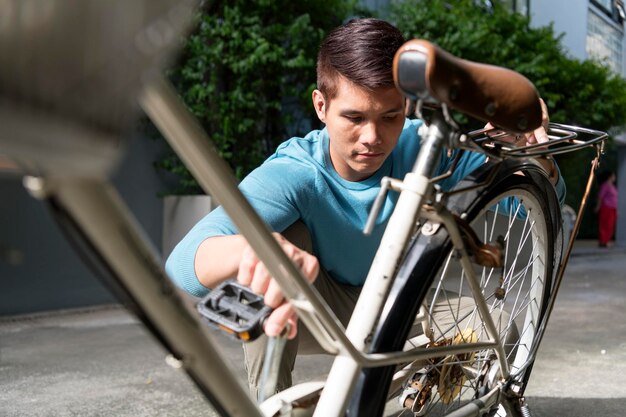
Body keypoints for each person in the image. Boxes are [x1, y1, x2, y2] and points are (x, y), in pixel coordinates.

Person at [166, 18, 565, 399]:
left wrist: (535, 155)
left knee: (503, 336)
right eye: (353, 117)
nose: (372, 138)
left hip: (399, 299)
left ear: (407, 106)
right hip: (321, 309)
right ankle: (271, 404)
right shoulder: (296, 172)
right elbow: (182, 265)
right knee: (276, 251)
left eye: (389, 116)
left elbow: (525, 202)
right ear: (321, 106)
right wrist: (252, 251)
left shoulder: (423, 146)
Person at [595, 170, 618, 247]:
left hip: (613, 209)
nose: (615, 177)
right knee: (604, 224)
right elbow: (600, 197)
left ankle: (606, 241)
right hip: (606, 208)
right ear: (610, 177)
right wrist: (598, 207)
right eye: (613, 175)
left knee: (610, 225)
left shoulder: (612, 186)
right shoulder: (605, 185)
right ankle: (603, 241)